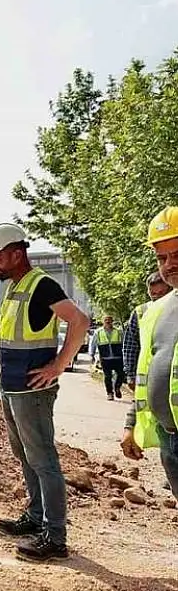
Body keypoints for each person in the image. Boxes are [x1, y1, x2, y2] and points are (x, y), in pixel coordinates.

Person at [0, 222, 90, 563]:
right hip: (11, 387)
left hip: (32, 390)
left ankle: (55, 536)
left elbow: (80, 321)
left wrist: (58, 366)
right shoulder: (17, 287)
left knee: (43, 459)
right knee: (26, 456)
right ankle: (35, 516)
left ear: (17, 253)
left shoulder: (41, 285)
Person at [120, 206, 178, 499]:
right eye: (162, 258)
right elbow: (147, 373)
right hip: (170, 437)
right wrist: (131, 425)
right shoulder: (156, 311)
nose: (169, 265)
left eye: (177, 255)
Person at [122, 271, 171, 397]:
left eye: (162, 294)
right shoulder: (141, 312)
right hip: (148, 377)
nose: (158, 298)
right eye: (153, 294)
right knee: (137, 414)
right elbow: (130, 347)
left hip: (171, 375)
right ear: (148, 292)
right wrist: (130, 375)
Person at [89, 315, 125, 400]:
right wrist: (92, 355)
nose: (108, 322)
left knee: (121, 374)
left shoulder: (119, 332)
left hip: (118, 357)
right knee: (107, 376)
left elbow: (124, 343)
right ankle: (109, 393)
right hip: (105, 358)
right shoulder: (98, 332)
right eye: (106, 320)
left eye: (109, 320)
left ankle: (117, 388)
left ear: (112, 321)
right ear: (103, 321)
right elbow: (93, 344)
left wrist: (125, 355)